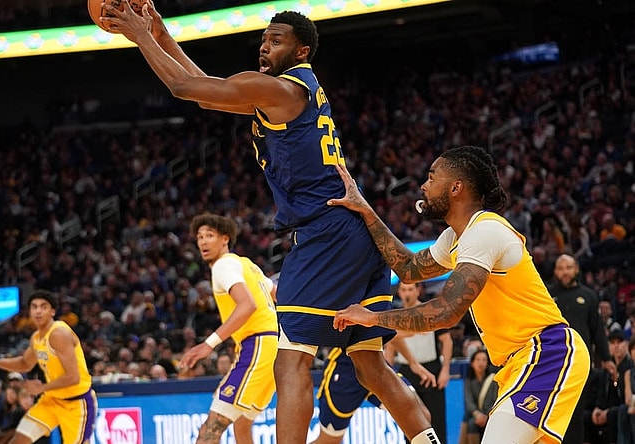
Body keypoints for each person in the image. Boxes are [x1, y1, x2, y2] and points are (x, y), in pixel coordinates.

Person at [102, 5, 439, 444]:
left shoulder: (282, 89)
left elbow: (184, 87)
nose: (264, 46)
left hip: (325, 233)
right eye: (264, 39)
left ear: (301, 51)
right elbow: (205, 92)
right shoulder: (286, 93)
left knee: (292, 359)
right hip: (351, 230)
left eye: (276, 41)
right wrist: (161, 35)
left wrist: (139, 35)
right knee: (370, 364)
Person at [330, 145, 592, 444]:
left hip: (546, 353)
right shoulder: (456, 237)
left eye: (432, 177)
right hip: (519, 362)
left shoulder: (485, 231)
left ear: (456, 188)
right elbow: (408, 268)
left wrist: (372, 318)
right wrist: (366, 211)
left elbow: (446, 312)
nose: (424, 186)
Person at [179, 214, 278, 444]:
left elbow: (248, 305)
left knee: (209, 430)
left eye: (210, 235)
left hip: (258, 344)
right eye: (200, 237)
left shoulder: (223, 265)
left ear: (225, 239)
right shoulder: (247, 265)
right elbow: (279, 294)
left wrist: (208, 344)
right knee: (242, 425)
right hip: (272, 346)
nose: (203, 242)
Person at [0, 290, 97, 444]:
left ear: (52, 311)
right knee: (19, 440)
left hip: (76, 403)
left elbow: (73, 377)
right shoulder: (36, 337)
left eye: (43, 307)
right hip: (52, 400)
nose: (38, 311)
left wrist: (42, 388)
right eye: (34, 307)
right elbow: (25, 363)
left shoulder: (59, 334)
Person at [548, 253, 617, 444]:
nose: (565, 272)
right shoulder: (546, 295)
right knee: (551, 413)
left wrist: (607, 358)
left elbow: (598, 330)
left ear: (576, 269)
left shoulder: (589, 296)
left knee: (576, 413)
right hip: (552, 362)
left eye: (568, 268)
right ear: (555, 271)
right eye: (561, 268)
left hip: (579, 364)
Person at [312, 342, 434, 444]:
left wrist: (412, 362)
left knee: (422, 415)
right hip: (346, 368)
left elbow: (395, 333)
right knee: (329, 440)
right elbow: (397, 332)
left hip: (377, 365)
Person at [387, 282, 453, 443]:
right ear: (399, 292)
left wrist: (445, 369)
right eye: (404, 290)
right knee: (410, 421)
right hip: (406, 371)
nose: (407, 293)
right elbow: (391, 344)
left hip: (431, 368)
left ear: (418, 290)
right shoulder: (394, 315)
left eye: (410, 289)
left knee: (436, 419)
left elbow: (447, 341)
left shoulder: (430, 311)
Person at [462, 349, 499, 444]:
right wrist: (477, 415)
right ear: (472, 363)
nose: (481, 363)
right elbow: (469, 402)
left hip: (490, 414)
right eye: (478, 360)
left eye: (484, 360)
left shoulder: (493, 380)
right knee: (469, 421)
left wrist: (486, 415)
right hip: (476, 415)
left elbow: (495, 400)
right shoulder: (468, 382)